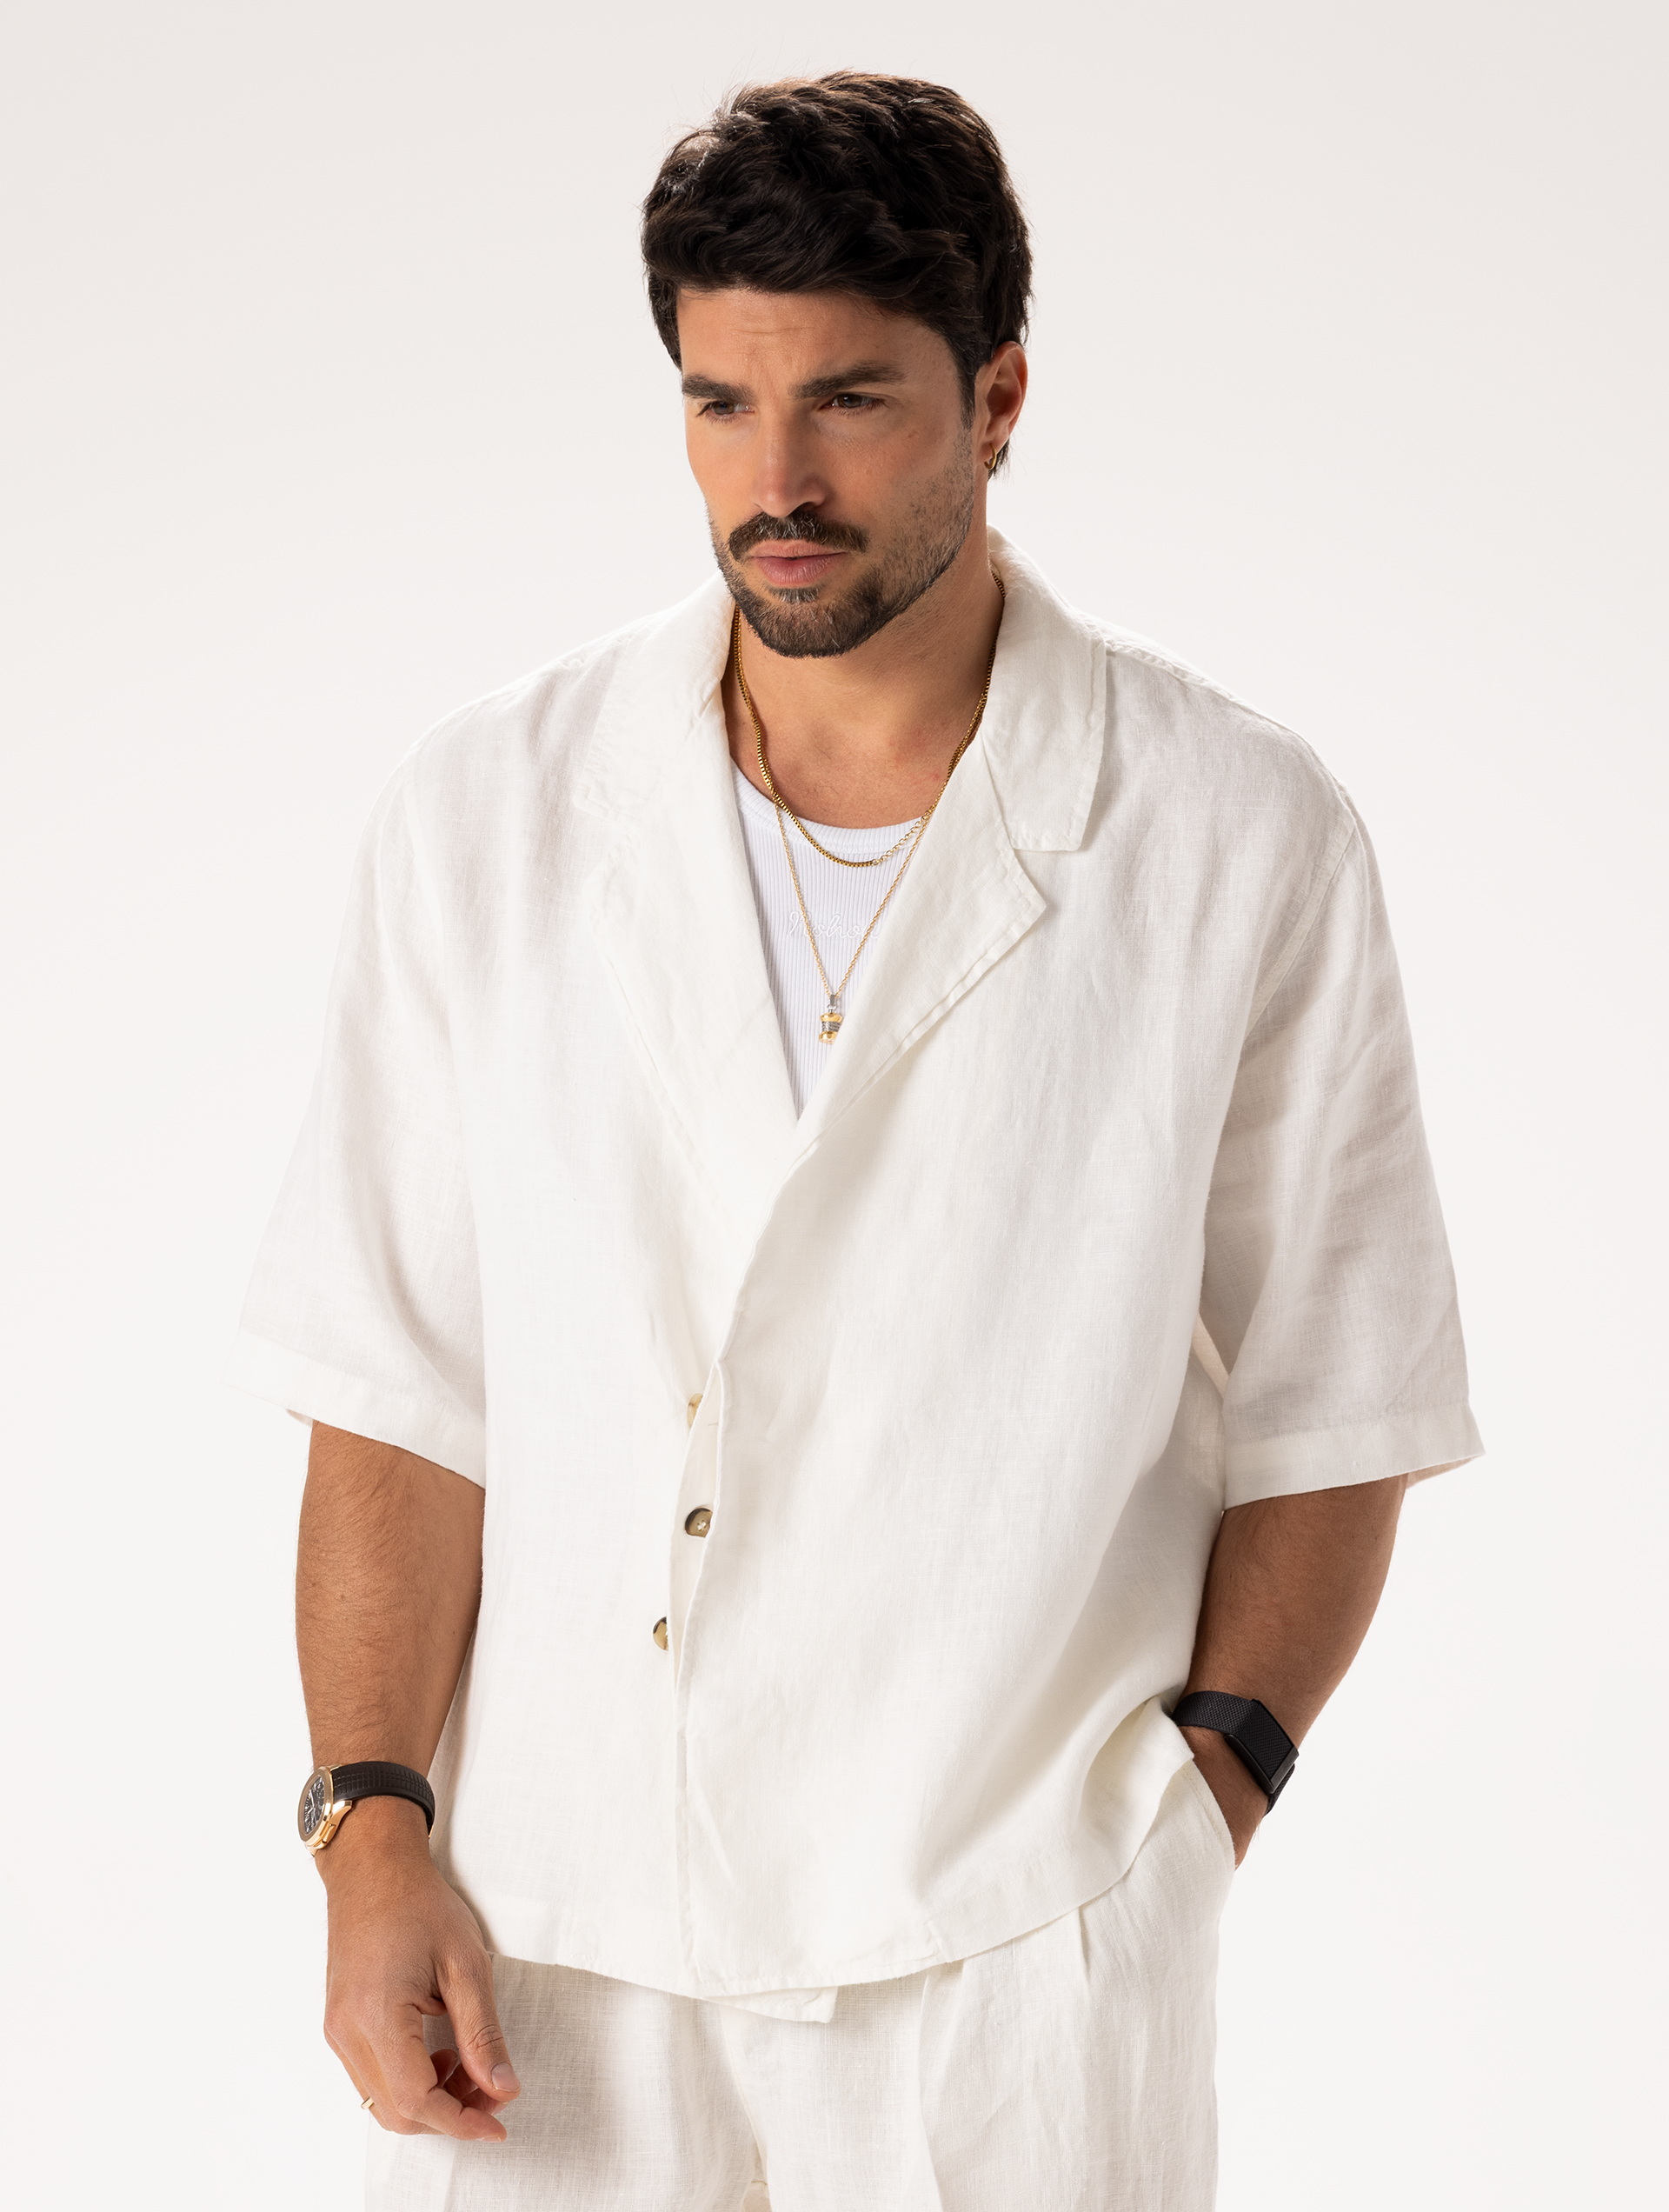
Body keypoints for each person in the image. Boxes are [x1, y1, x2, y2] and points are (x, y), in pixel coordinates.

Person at [231, 71, 1482, 2212]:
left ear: (998, 400)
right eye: (720, 403)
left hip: (1014, 1958)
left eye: (850, 402)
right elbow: (401, 1390)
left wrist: (1191, 1826)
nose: (776, 481)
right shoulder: (488, 816)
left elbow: (1337, 1403)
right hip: (565, 1952)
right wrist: (371, 1832)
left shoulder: (1233, 833)